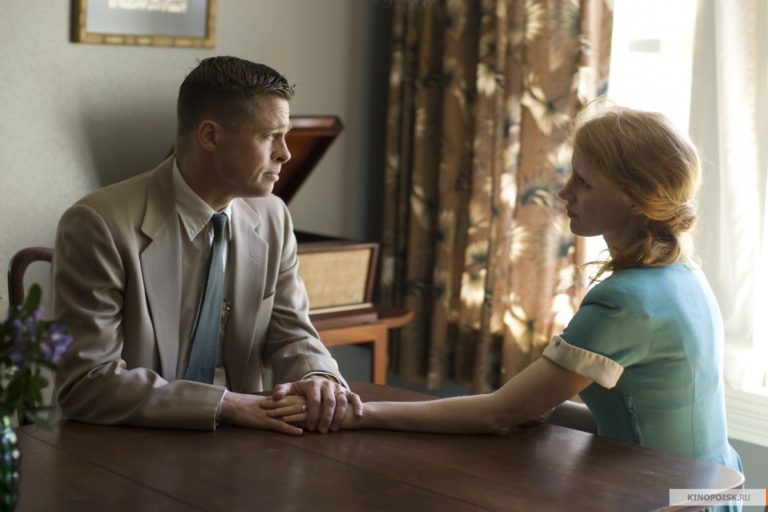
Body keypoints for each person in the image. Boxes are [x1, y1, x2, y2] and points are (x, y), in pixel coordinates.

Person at [266, 106, 744, 484]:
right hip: (709, 486)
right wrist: (537, 407)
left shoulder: (626, 300)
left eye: (583, 181)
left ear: (636, 198)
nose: (564, 192)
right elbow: (648, 416)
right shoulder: (682, 274)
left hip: (668, 498)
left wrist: (357, 414)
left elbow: (500, 414)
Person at [53, 56, 361, 434]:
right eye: (269, 136)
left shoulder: (273, 216)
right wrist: (225, 404)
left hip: (248, 443)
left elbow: (291, 332)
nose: (286, 153)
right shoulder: (98, 223)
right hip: (132, 442)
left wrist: (319, 377)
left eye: (285, 135)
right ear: (210, 136)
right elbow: (86, 383)